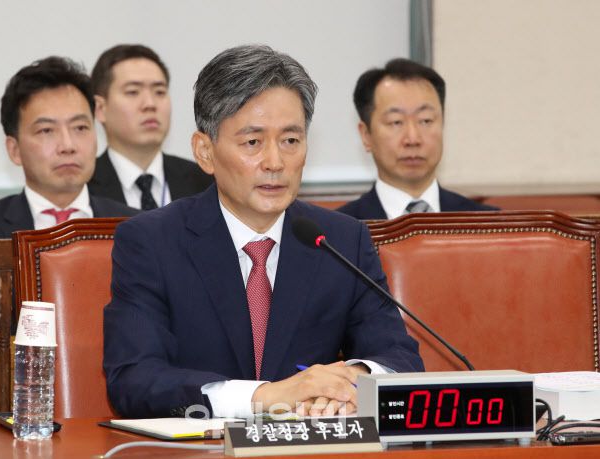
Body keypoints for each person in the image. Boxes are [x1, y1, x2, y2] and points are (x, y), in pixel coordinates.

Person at [103, 45, 423, 420]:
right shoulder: (152, 242)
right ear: (204, 151)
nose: (275, 162)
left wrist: (352, 382)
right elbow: (134, 379)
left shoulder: (341, 241)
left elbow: (400, 358)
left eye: (290, 141)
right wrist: (263, 396)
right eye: (252, 142)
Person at [0, 56, 138, 332]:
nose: (68, 145)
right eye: (47, 130)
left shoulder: (137, 226)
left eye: (80, 128)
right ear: (14, 150)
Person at [337, 58, 497, 219]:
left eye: (425, 120)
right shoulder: (338, 229)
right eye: (396, 122)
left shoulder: (490, 224)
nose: (413, 139)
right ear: (366, 135)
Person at [88, 44, 213, 210]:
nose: (150, 104)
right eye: (133, 92)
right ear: (100, 109)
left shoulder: (207, 181)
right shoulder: (82, 186)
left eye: (159, 92)